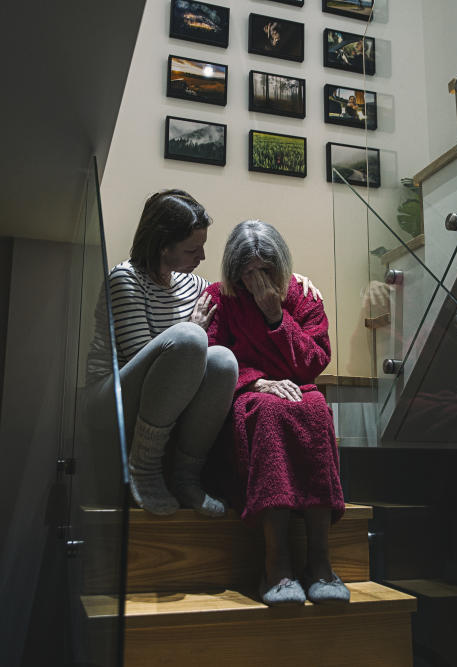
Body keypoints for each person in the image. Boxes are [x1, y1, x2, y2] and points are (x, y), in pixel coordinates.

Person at [87, 190, 322, 518]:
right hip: (116, 395)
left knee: (223, 359)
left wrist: (291, 277)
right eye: (192, 248)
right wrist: (191, 328)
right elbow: (149, 358)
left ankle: (185, 475)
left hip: (169, 398)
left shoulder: (194, 285)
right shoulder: (125, 279)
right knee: (191, 336)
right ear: (163, 246)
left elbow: (237, 289)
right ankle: (145, 465)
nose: (202, 255)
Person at [204, 220, 348, 606]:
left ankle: (320, 560)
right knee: (267, 413)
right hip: (249, 392)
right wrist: (255, 383)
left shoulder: (302, 295)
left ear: (280, 266)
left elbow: (314, 360)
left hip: (297, 387)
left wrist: (276, 319)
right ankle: (276, 563)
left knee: (316, 406)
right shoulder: (222, 298)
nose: (258, 281)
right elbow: (216, 355)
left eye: (266, 270)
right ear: (236, 272)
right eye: (248, 272)